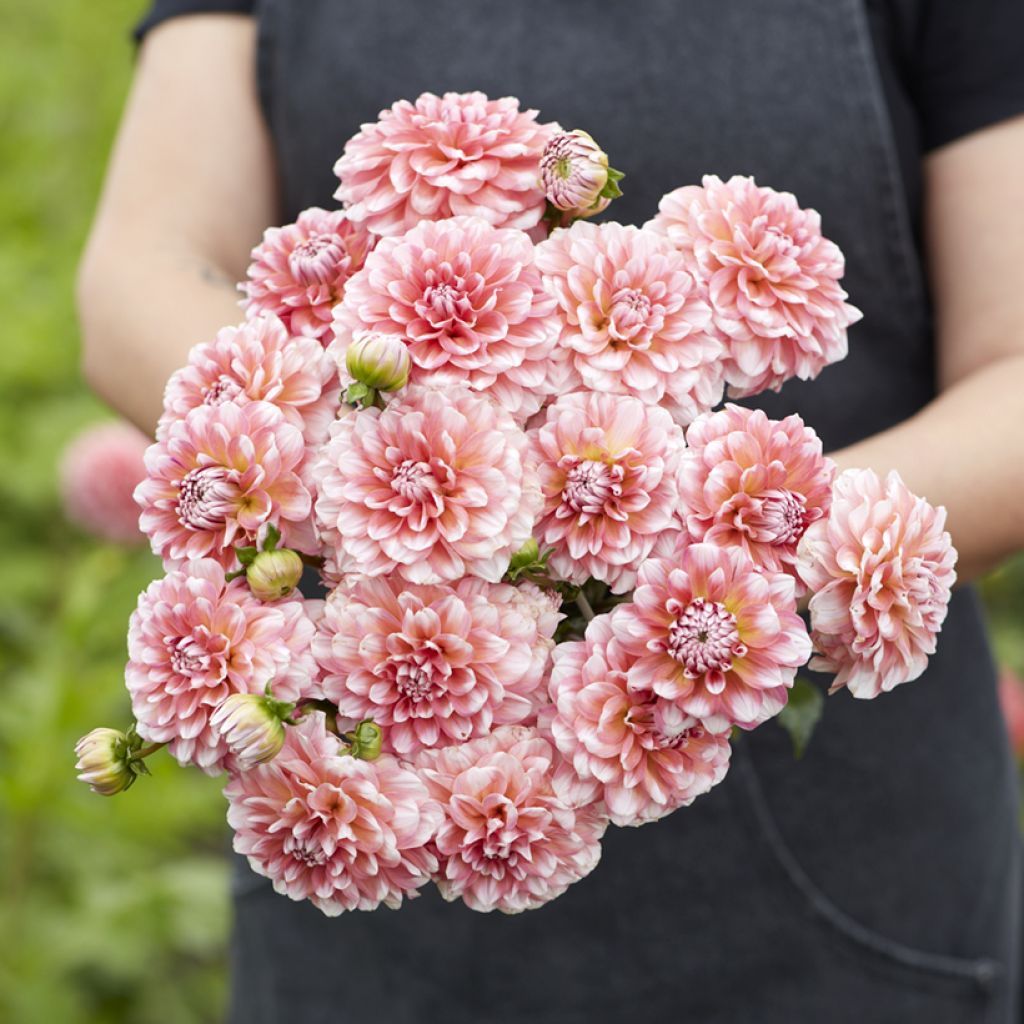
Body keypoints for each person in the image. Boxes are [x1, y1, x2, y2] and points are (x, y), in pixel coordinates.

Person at [77, 1, 1024, 1021]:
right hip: (369, 825)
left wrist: (718, 571)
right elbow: (138, 271)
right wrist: (330, 451)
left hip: (846, 867)